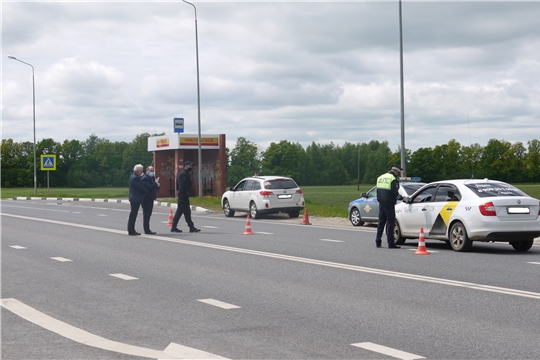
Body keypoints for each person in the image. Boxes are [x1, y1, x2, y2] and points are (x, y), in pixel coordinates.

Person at [375, 165, 408, 248]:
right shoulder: (393, 179)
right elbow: (394, 193)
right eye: (398, 173)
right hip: (389, 204)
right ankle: (391, 243)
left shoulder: (380, 177)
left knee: (381, 222)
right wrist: (403, 198)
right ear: (395, 171)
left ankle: (378, 241)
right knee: (390, 223)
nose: (398, 174)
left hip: (381, 203)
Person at [170, 161, 201, 233]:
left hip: (183, 195)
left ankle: (174, 227)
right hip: (183, 195)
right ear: (186, 166)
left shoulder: (185, 174)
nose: (191, 167)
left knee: (180, 212)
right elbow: (181, 186)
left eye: (192, 165)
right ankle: (191, 227)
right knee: (186, 212)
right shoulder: (184, 174)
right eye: (190, 165)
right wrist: (182, 196)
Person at [127, 164, 149, 235]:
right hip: (135, 198)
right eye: (141, 171)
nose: (141, 172)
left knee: (133, 214)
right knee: (133, 214)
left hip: (133, 197)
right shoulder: (135, 178)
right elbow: (140, 187)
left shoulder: (133, 176)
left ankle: (131, 229)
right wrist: (146, 191)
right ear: (138, 171)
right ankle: (131, 230)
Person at [141, 166, 160, 234]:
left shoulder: (151, 177)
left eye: (153, 171)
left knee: (149, 214)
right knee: (146, 214)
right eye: (151, 170)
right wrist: (155, 184)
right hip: (146, 199)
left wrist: (157, 185)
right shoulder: (145, 178)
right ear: (147, 171)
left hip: (151, 198)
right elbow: (149, 187)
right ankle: (146, 229)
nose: (152, 172)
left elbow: (154, 186)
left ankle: (147, 229)